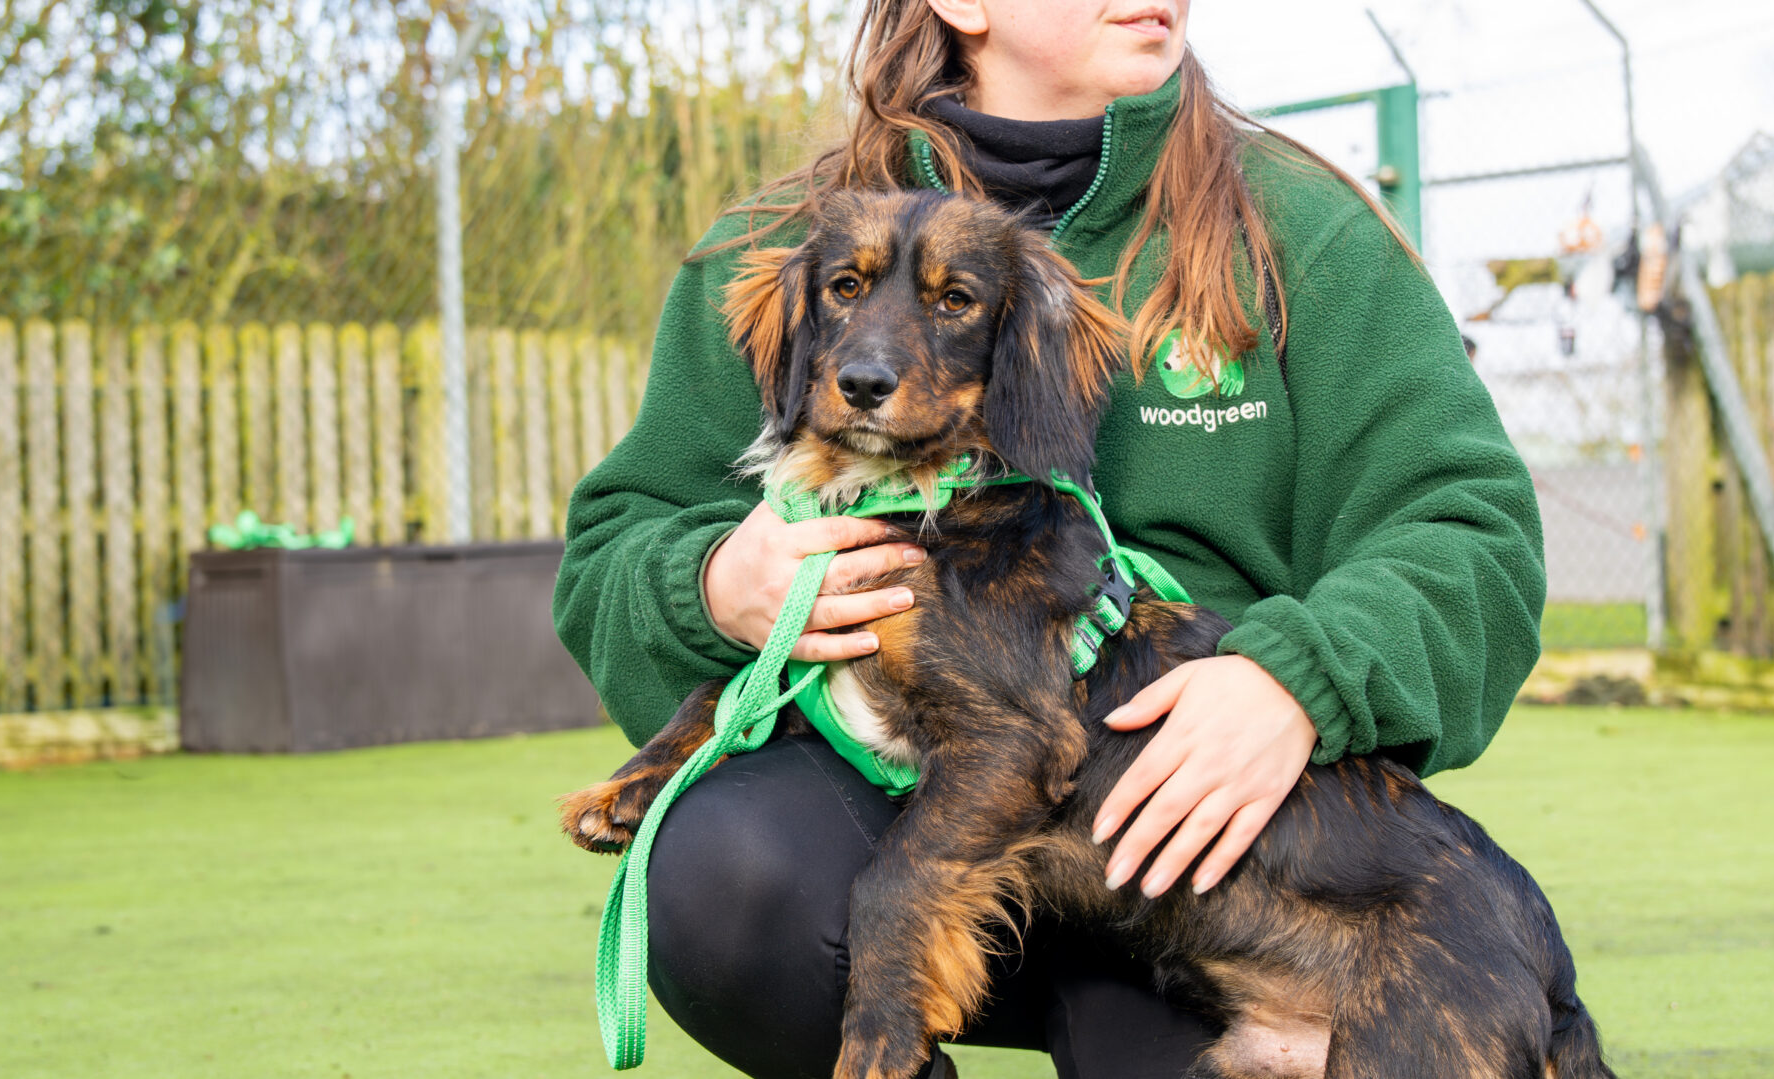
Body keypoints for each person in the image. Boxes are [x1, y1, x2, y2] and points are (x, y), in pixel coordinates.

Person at [552, 2, 1547, 1076]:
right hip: (902, 821)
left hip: (1204, 852)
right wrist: (710, 584)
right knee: (718, 876)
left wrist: (1298, 681)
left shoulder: (1300, 230)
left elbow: (1472, 534)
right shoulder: (786, 244)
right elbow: (615, 545)